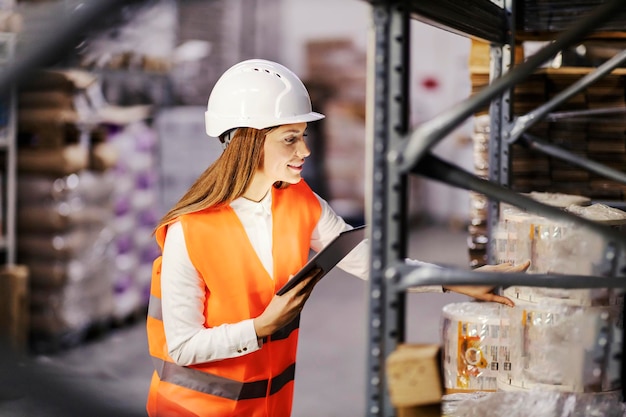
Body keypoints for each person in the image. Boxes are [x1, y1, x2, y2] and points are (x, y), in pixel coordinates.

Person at [145, 58, 530, 417]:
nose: (305, 150)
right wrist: (260, 328)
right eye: (290, 139)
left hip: (268, 407)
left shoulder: (298, 202)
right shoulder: (189, 230)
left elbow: (373, 263)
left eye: (303, 136)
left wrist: (460, 281)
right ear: (249, 141)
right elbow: (182, 346)